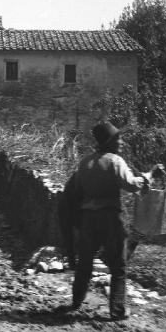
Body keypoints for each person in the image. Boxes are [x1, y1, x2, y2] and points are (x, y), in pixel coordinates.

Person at [62, 121, 149, 321]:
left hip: (88, 220)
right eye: (119, 139)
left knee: (85, 263)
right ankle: (117, 310)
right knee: (119, 266)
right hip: (111, 219)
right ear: (109, 142)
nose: (122, 142)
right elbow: (130, 184)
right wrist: (146, 177)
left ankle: (76, 301)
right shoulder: (115, 161)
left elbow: (76, 192)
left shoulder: (84, 163)